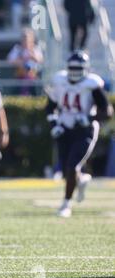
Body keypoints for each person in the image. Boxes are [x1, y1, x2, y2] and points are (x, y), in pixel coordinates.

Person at [45, 51, 113, 217]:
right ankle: (81, 179)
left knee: (72, 166)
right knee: (67, 168)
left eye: (78, 68)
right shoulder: (59, 81)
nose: (75, 72)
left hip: (84, 130)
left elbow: (107, 111)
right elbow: (50, 106)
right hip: (64, 129)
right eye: (72, 68)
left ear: (86, 69)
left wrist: (89, 118)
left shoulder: (92, 84)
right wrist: (54, 124)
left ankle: (65, 205)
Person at [7, 28, 43, 95]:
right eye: (24, 38)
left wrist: (32, 56)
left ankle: (25, 96)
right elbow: (10, 60)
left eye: (28, 38)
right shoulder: (17, 48)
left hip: (33, 75)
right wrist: (22, 59)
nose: (26, 40)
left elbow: (40, 60)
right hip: (19, 74)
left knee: (28, 78)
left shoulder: (35, 48)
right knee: (25, 78)